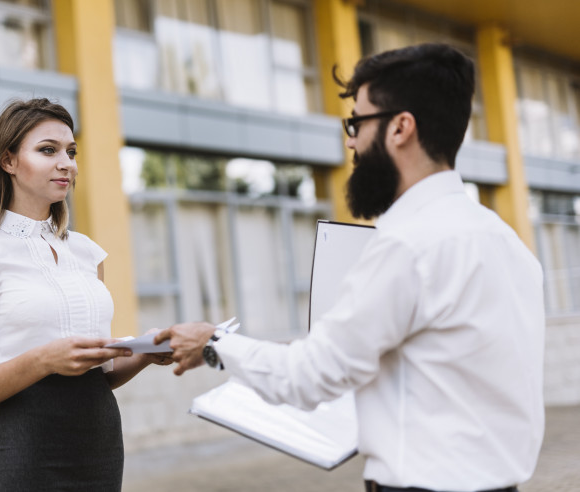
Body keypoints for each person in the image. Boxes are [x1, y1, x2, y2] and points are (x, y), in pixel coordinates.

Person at [155, 43, 544, 492]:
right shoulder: (507, 243)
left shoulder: (407, 245)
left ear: (401, 127)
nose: (350, 141)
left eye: (357, 123)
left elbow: (311, 376)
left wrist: (213, 343)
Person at [0, 98, 170, 492]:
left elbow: (96, 375)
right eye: (48, 150)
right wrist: (43, 360)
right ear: (8, 161)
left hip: (100, 448)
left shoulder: (86, 252)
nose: (66, 163)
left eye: (71, 152)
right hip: (28, 451)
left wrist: (145, 353)